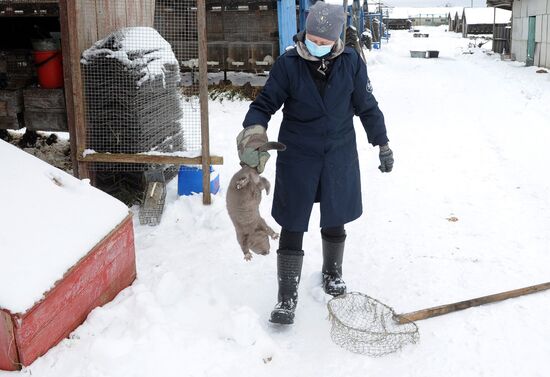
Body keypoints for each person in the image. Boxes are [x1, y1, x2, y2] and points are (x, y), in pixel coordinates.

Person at [236, 1, 393, 325]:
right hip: (298, 153)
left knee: (335, 215)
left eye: (323, 42)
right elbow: (264, 104)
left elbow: (366, 105)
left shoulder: (350, 62)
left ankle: (332, 273)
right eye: (312, 39)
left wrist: (382, 142)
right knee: (293, 221)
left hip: (338, 152)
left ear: (335, 39)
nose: (316, 46)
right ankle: (286, 296)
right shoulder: (288, 63)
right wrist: (253, 134)